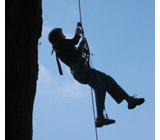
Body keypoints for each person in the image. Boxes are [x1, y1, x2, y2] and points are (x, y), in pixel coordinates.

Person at [48, 27, 145, 128]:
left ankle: (129, 100)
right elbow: (74, 41)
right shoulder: (58, 43)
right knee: (100, 87)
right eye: (61, 33)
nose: (63, 35)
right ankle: (100, 117)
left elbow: (74, 53)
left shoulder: (61, 46)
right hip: (81, 70)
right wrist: (77, 33)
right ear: (57, 36)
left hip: (82, 70)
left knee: (108, 80)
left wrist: (80, 48)